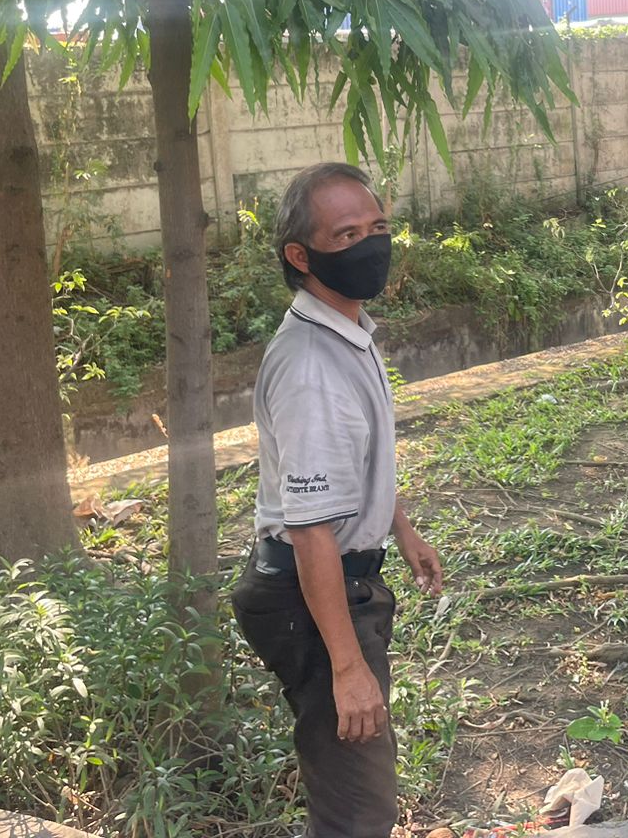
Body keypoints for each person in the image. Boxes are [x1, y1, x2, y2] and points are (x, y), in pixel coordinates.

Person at [231, 162, 443, 838]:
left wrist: (400, 529)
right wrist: (347, 668)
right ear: (301, 256)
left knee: (359, 793)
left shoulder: (346, 331)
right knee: (357, 812)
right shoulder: (311, 369)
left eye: (378, 227)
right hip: (312, 600)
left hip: (337, 585)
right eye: (346, 234)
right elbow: (311, 532)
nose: (371, 245)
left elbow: (355, 465)